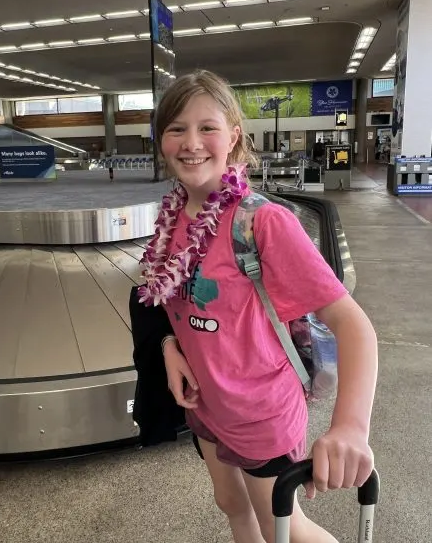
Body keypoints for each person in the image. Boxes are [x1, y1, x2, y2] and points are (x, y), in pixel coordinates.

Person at [138, 70, 378, 543]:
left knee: (285, 529)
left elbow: (353, 325)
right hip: (205, 406)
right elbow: (162, 298)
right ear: (161, 141)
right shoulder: (170, 220)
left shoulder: (262, 222)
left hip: (260, 413)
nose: (192, 142)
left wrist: (350, 426)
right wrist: (169, 345)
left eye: (207, 127)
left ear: (234, 137)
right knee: (231, 505)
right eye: (176, 129)